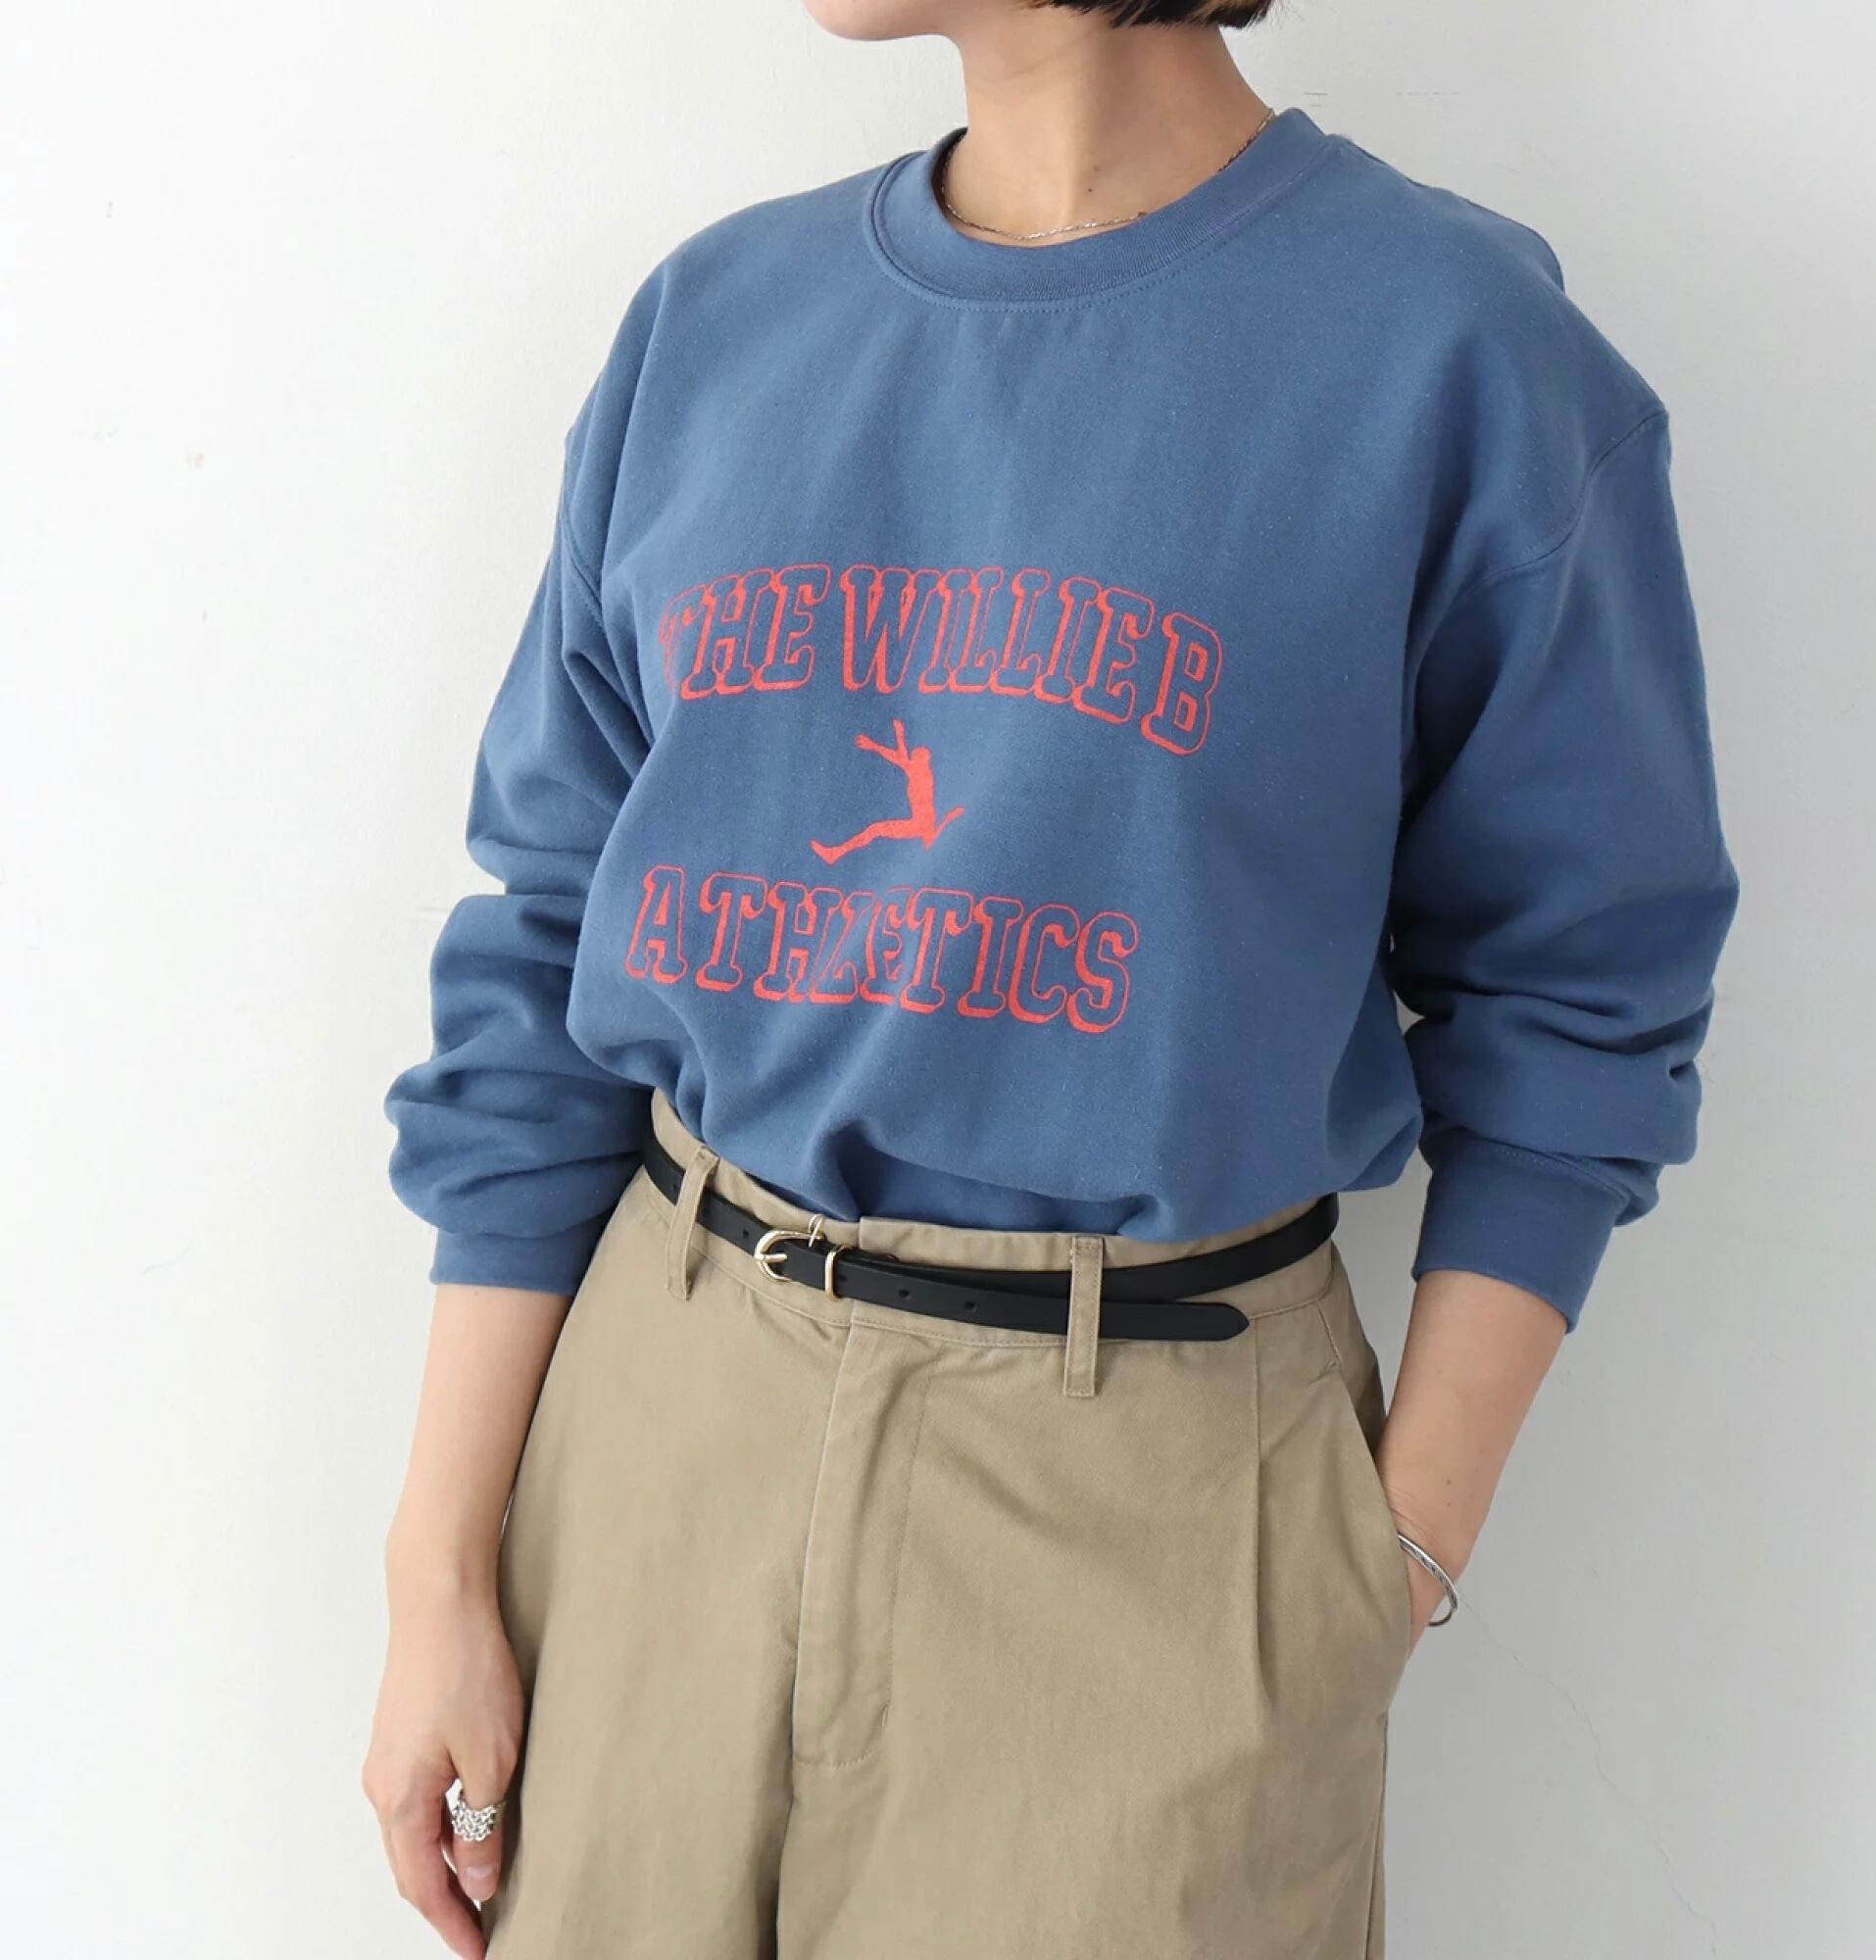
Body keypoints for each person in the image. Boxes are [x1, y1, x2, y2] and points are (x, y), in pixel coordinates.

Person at [360, 2, 1741, 1954]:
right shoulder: (715, 323)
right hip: (657, 1442)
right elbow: (549, 932)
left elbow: (1586, 989)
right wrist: (437, 1565)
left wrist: (1392, 1551)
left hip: (1147, 1494)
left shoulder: (1453, 353)